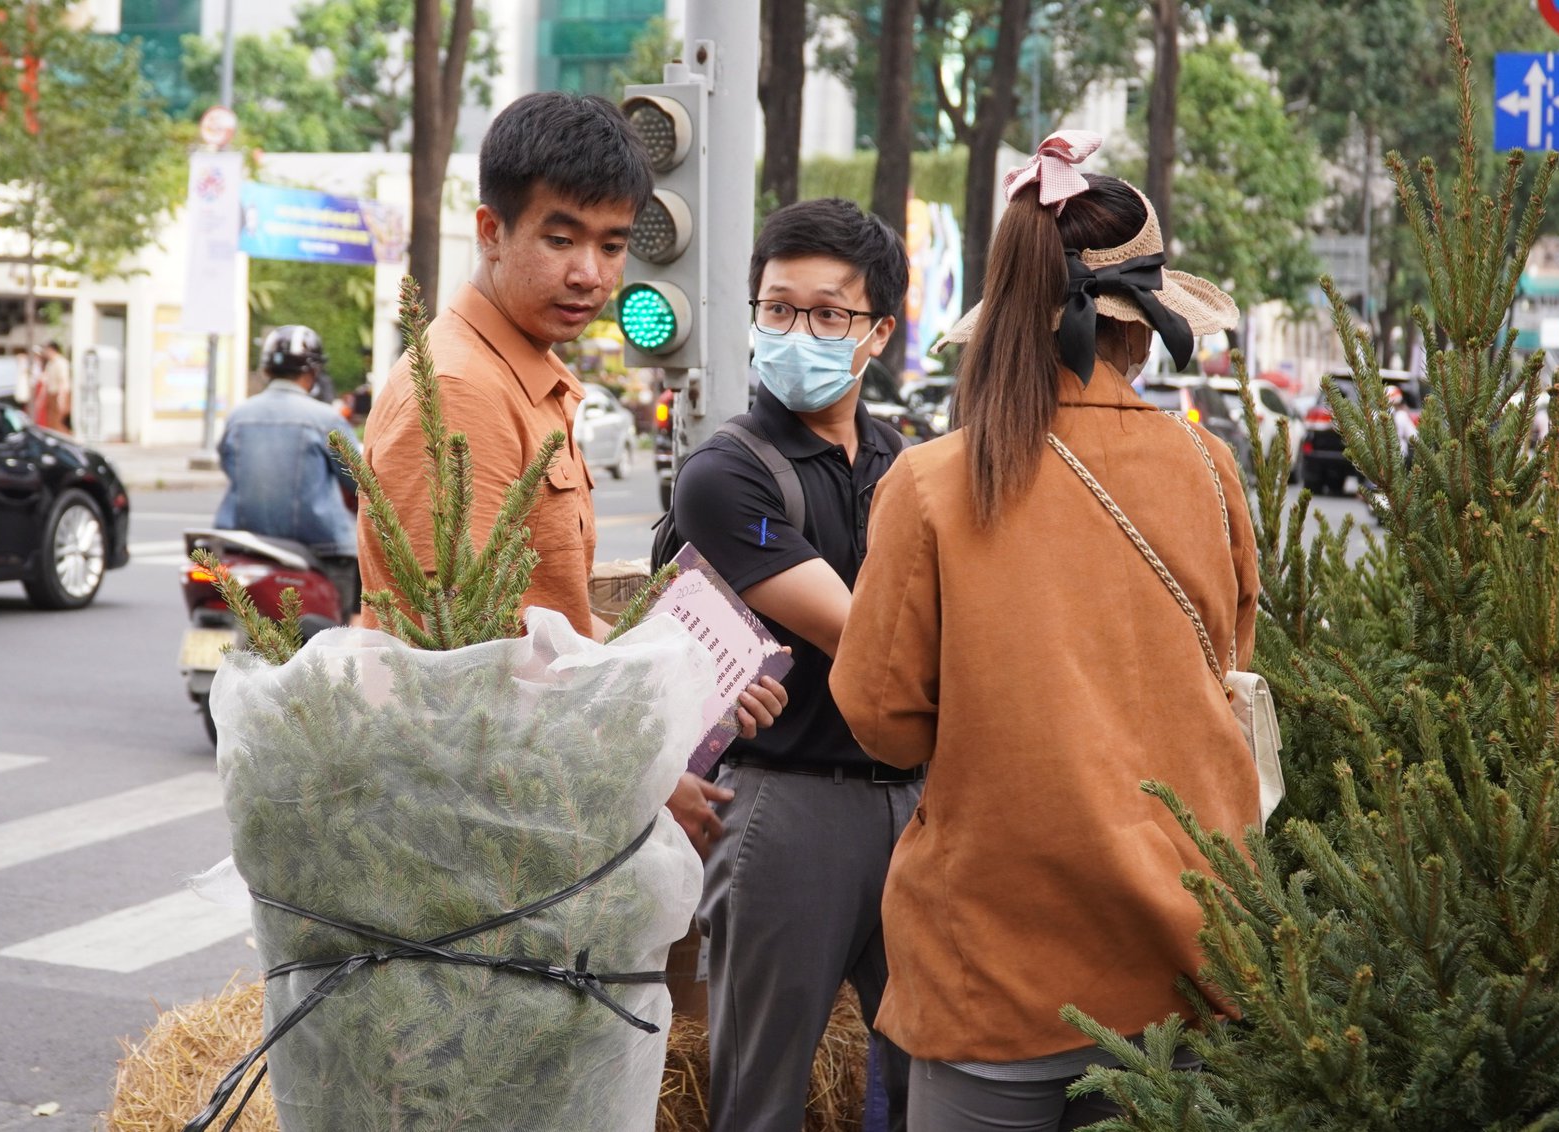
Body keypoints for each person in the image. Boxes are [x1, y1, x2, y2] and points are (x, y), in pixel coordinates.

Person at [828, 131, 1262, 1132]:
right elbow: (1232, 671)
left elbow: (883, 722)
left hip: (990, 971)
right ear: (1146, 327)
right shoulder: (1207, 475)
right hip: (1182, 967)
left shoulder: (931, 484)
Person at [356, 90, 786, 851]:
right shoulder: (462, 391)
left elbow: (549, 623)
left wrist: (691, 683)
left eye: (614, 245)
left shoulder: (527, 376)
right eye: (561, 240)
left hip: (528, 809)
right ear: (491, 231)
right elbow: (459, 665)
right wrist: (645, 772)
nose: (590, 273)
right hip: (470, 840)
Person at [665, 197, 915, 1132]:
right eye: (778, 309)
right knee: (760, 1098)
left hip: (916, 801)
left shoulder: (906, 463)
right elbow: (870, 638)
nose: (797, 332)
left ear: (878, 332)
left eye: (828, 315)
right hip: (789, 807)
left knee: (926, 1082)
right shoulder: (725, 472)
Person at [217, 325, 364, 616]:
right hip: (321, 548)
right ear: (312, 372)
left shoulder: (238, 416)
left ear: (267, 370)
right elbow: (360, 481)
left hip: (244, 543)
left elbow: (229, 465)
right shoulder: (325, 419)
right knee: (339, 637)